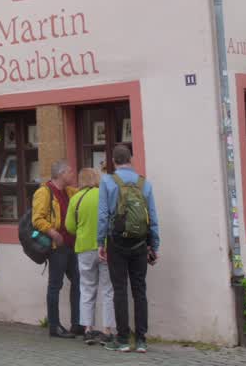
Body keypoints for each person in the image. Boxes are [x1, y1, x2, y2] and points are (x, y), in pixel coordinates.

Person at [98, 145, 159, 353]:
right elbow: (152, 216)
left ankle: (123, 339)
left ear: (113, 161)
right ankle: (141, 340)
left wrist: (100, 243)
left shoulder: (107, 181)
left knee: (120, 290)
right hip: (141, 243)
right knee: (140, 290)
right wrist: (154, 245)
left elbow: (103, 216)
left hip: (116, 243)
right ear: (131, 159)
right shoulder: (145, 183)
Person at [32, 159, 80, 338]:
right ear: (61, 174)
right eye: (70, 172)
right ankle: (54, 325)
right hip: (56, 246)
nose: (73, 175)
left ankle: (77, 324)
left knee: (78, 281)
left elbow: (85, 194)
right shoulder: (44, 192)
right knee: (55, 285)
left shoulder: (69, 191)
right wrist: (52, 233)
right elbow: (37, 219)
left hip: (71, 244)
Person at [66, 167, 113, 345]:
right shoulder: (103, 195)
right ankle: (107, 330)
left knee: (86, 289)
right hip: (105, 247)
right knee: (108, 290)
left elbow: (70, 227)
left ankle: (88, 329)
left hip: (84, 248)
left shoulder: (75, 199)